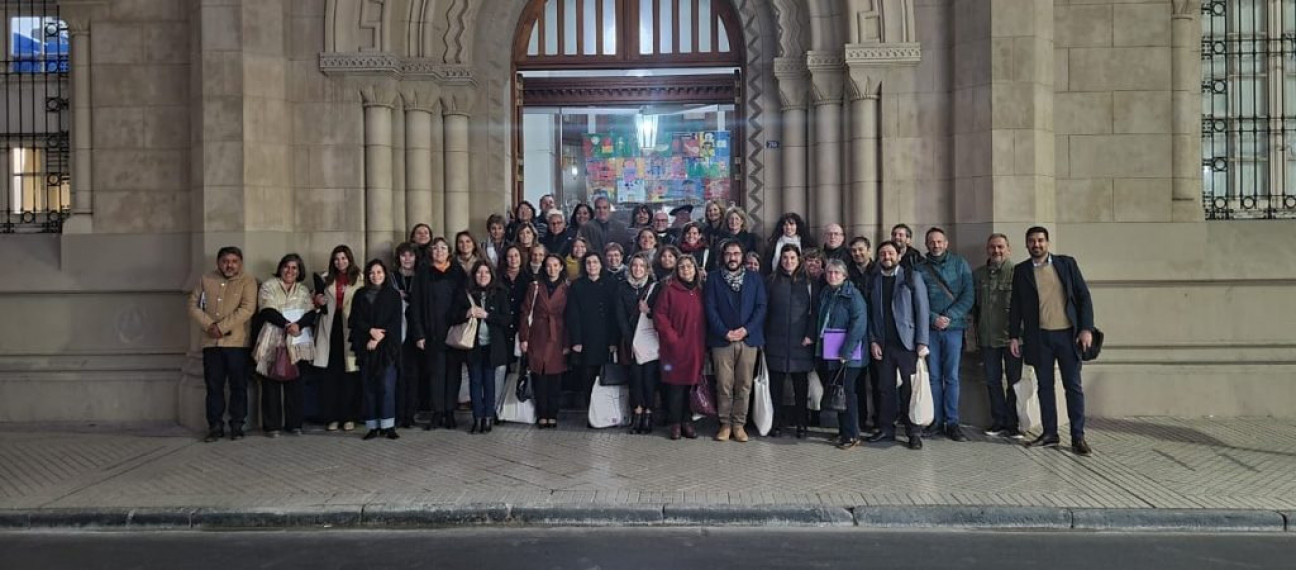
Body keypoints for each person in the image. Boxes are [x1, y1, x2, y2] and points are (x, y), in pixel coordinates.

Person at [1008, 226, 1095, 456]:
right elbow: (1015, 305)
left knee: (1073, 387)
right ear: (1026, 244)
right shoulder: (1021, 270)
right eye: (1032, 241)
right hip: (1039, 337)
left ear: (1047, 243)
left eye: (1040, 241)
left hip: (1068, 335)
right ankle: (1050, 434)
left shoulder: (1067, 264)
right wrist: (1013, 336)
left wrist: (1086, 329)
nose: (1036, 245)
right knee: (1045, 387)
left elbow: (1084, 296)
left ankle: (1078, 436)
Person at [189, 246, 258, 442]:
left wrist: (222, 327)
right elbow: (193, 305)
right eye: (225, 261)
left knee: (238, 386)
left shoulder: (248, 281)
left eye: (234, 261)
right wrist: (210, 325)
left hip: (237, 344)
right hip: (211, 344)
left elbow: (247, 308)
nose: (230, 265)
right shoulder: (206, 279)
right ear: (218, 263)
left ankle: (237, 425)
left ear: (240, 263)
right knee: (213, 386)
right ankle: (215, 426)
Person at [867, 241, 930, 450]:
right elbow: (870, 314)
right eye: (883, 253)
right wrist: (873, 340)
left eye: (890, 253)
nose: (887, 256)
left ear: (898, 256)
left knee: (910, 389)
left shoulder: (912, 278)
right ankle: (886, 429)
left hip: (908, 344)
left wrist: (922, 342)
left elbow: (922, 310)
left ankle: (914, 432)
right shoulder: (874, 280)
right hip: (884, 345)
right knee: (885, 388)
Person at [704, 240, 768, 443]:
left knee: (744, 384)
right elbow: (710, 308)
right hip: (722, 340)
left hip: (748, 339)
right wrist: (725, 332)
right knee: (723, 383)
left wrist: (746, 330)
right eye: (729, 254)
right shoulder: (713, 279)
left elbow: (761, 307)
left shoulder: (754, 278)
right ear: (723, 256)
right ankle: (725, 424)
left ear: (742, 256)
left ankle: (739, 424)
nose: (732, 257)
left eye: (736, 253)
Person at [915, 227, 975, 441]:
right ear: (926, 244)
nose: (936, 245)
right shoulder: (919, 269)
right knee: (932, 377)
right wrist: (933, 318)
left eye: (939, 241)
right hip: (930, 330)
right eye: (932, 242)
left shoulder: (960, 264)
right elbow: (917, 301)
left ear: (946, 243)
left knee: (951, 377)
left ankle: (952, 422)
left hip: (954, 329)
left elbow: (969, 294)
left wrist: (949, 316)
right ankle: (936, 421)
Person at [254, 254, 317, 438]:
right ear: (280, 268)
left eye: (294, 268)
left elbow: (310, 312)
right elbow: (267, 309)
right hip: (273, 339)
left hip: (298, 339)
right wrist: (287, 325)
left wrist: (298, 325)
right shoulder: (269, 286)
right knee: (271, 382)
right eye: (286, 267)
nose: (290, 271)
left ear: (299, 271)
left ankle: (294, 424)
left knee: (295, 383)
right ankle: (272, 426)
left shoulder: (303, 290)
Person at [409, 237, 469, 430]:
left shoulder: (458, 272)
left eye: (443, 248)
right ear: (430, 252)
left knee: (453, 373)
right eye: (435, 248)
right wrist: (419, 334)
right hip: (431, 331)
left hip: (453, 331)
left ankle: (450, 412)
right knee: (435, 373)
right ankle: (437, 412)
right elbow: (415, 305)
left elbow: (464, 300)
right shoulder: (423, 273)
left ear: (449, 251)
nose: (439, 252)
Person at [449, 261, 513, 434]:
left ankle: (488, 417)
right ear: (474, 275)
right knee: (475, 382)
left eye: (486, 272)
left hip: (492, 346)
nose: (482, 276)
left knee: (490, 382)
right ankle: (477, 418)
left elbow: (507, 319)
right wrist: (466, 314)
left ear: (491, 275)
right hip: (473, 346)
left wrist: (488, 315)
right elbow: (452, 316)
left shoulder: (500, 293)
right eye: (479, 273)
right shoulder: (465, 294)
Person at [764, 243, 816, 439]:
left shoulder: (809, 282)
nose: (788, 261)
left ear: (799, 260)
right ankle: (776, 423)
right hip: (775, 340)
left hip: (800, 341)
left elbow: (815, 311)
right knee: (775, 387)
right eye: (785, 258)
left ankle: (802, 423)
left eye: (792, 258)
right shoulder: (771, 281)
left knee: (800, 387)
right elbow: (765, 310)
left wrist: (810, 334)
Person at [973, 233, 1022, 439]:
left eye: (1001, 247)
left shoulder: (1018, 273)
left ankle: (1013, 423)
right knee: (992, 381)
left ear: (1008, 249)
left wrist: (1019, 336)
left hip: (1012, 339)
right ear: (987, 250)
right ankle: (998, 421)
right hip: (987, 339)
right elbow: (975, 307)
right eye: (992, 247)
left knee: (1014, 381)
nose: (996, 251)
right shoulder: (979, 275)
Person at [817, 259, 869, 449]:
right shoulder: (826, 293)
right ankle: (843, 431)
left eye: (837, 273)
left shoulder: (853, 296)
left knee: (847, 393)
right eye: (829, 272)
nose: (832, 276)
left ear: (845, 276)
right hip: (831, 350)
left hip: (849, 354)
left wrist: (846, 351)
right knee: (837, 392)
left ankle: (852, 435)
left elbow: (859, 325)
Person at [653, 254, 706, 440]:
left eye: (689, 267)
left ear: (695, 269)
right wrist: (672, 339)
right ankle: (675, 423)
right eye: (682, 267)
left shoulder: (700, 290)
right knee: (675, 387)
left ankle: (687, 421)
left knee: (690, 386)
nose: (686, 270)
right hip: (674, 348)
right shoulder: (669, 290)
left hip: (695, 347)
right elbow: (659, 315)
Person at [349, 259, 403, 440]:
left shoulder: (393, 295)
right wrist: (369, 333)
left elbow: (395, 322)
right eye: (372, 272)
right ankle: (372, 426)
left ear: (385, 274)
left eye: (379, 272)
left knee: (387, 387)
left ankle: (388, 425)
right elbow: (354, 321)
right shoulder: (360, 294)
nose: (376, 276)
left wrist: (379, 338)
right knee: (369, 387)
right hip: (366, 347)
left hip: (387, 348)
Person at [313, 245, 363, 432]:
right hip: (330, 328)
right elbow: (315, 302)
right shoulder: (325, 278)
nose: (340, 262)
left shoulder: (360, 278)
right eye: (336, 259)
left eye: (343, 258)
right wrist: (317, 302)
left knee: (350, 376)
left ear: (349, 259)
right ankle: (331, 417)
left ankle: (349, 416)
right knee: (330, 376)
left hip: (350, 328)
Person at [520, 254, 571, 428]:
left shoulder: (567, 288)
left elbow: (570, 317)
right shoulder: (534, 287)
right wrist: (524, 338)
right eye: (549, 265)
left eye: (555, 265)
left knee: (555, 377)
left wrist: (567, 342)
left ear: (561, 267)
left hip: (558, 333)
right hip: (538, 333)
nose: (552, 269)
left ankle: (552, 413)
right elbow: (526, 313)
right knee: (539, 375)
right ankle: (542, 413)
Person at [566, 251, 619, 412]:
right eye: (588, 263)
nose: (592, 266)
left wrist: (613, 341)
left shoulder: (611, 283)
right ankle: (591, 411)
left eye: (595, 262)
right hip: (586, 339)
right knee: (587, 377)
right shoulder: (577, 285)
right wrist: (576, 340)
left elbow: (615, 314)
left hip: (605, 338)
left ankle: (606, 412)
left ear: (601, 264)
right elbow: (573, 315)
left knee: (605, 376)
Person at [615, 253, 662, 434]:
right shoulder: (622, 287)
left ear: (647, 269)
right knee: (634, 379)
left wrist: (649, 311)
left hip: (650, 340)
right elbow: (619, 316)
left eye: (641, 266)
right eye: (634, 266)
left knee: (649, 378)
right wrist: (630, 340)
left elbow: (660, 313)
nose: (637, 269)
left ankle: (649, 414)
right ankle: (637, 413)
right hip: (631, 341)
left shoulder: (654, 288)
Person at [391, 242, 421, 429]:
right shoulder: (391, 277)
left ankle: (410, 414)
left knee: (414, 374)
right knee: (399, 373)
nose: (407, 259)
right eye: (403, 255)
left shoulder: (420, 277)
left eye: (410, 255)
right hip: (397, 330)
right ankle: (399, 413)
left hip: (416, 331)